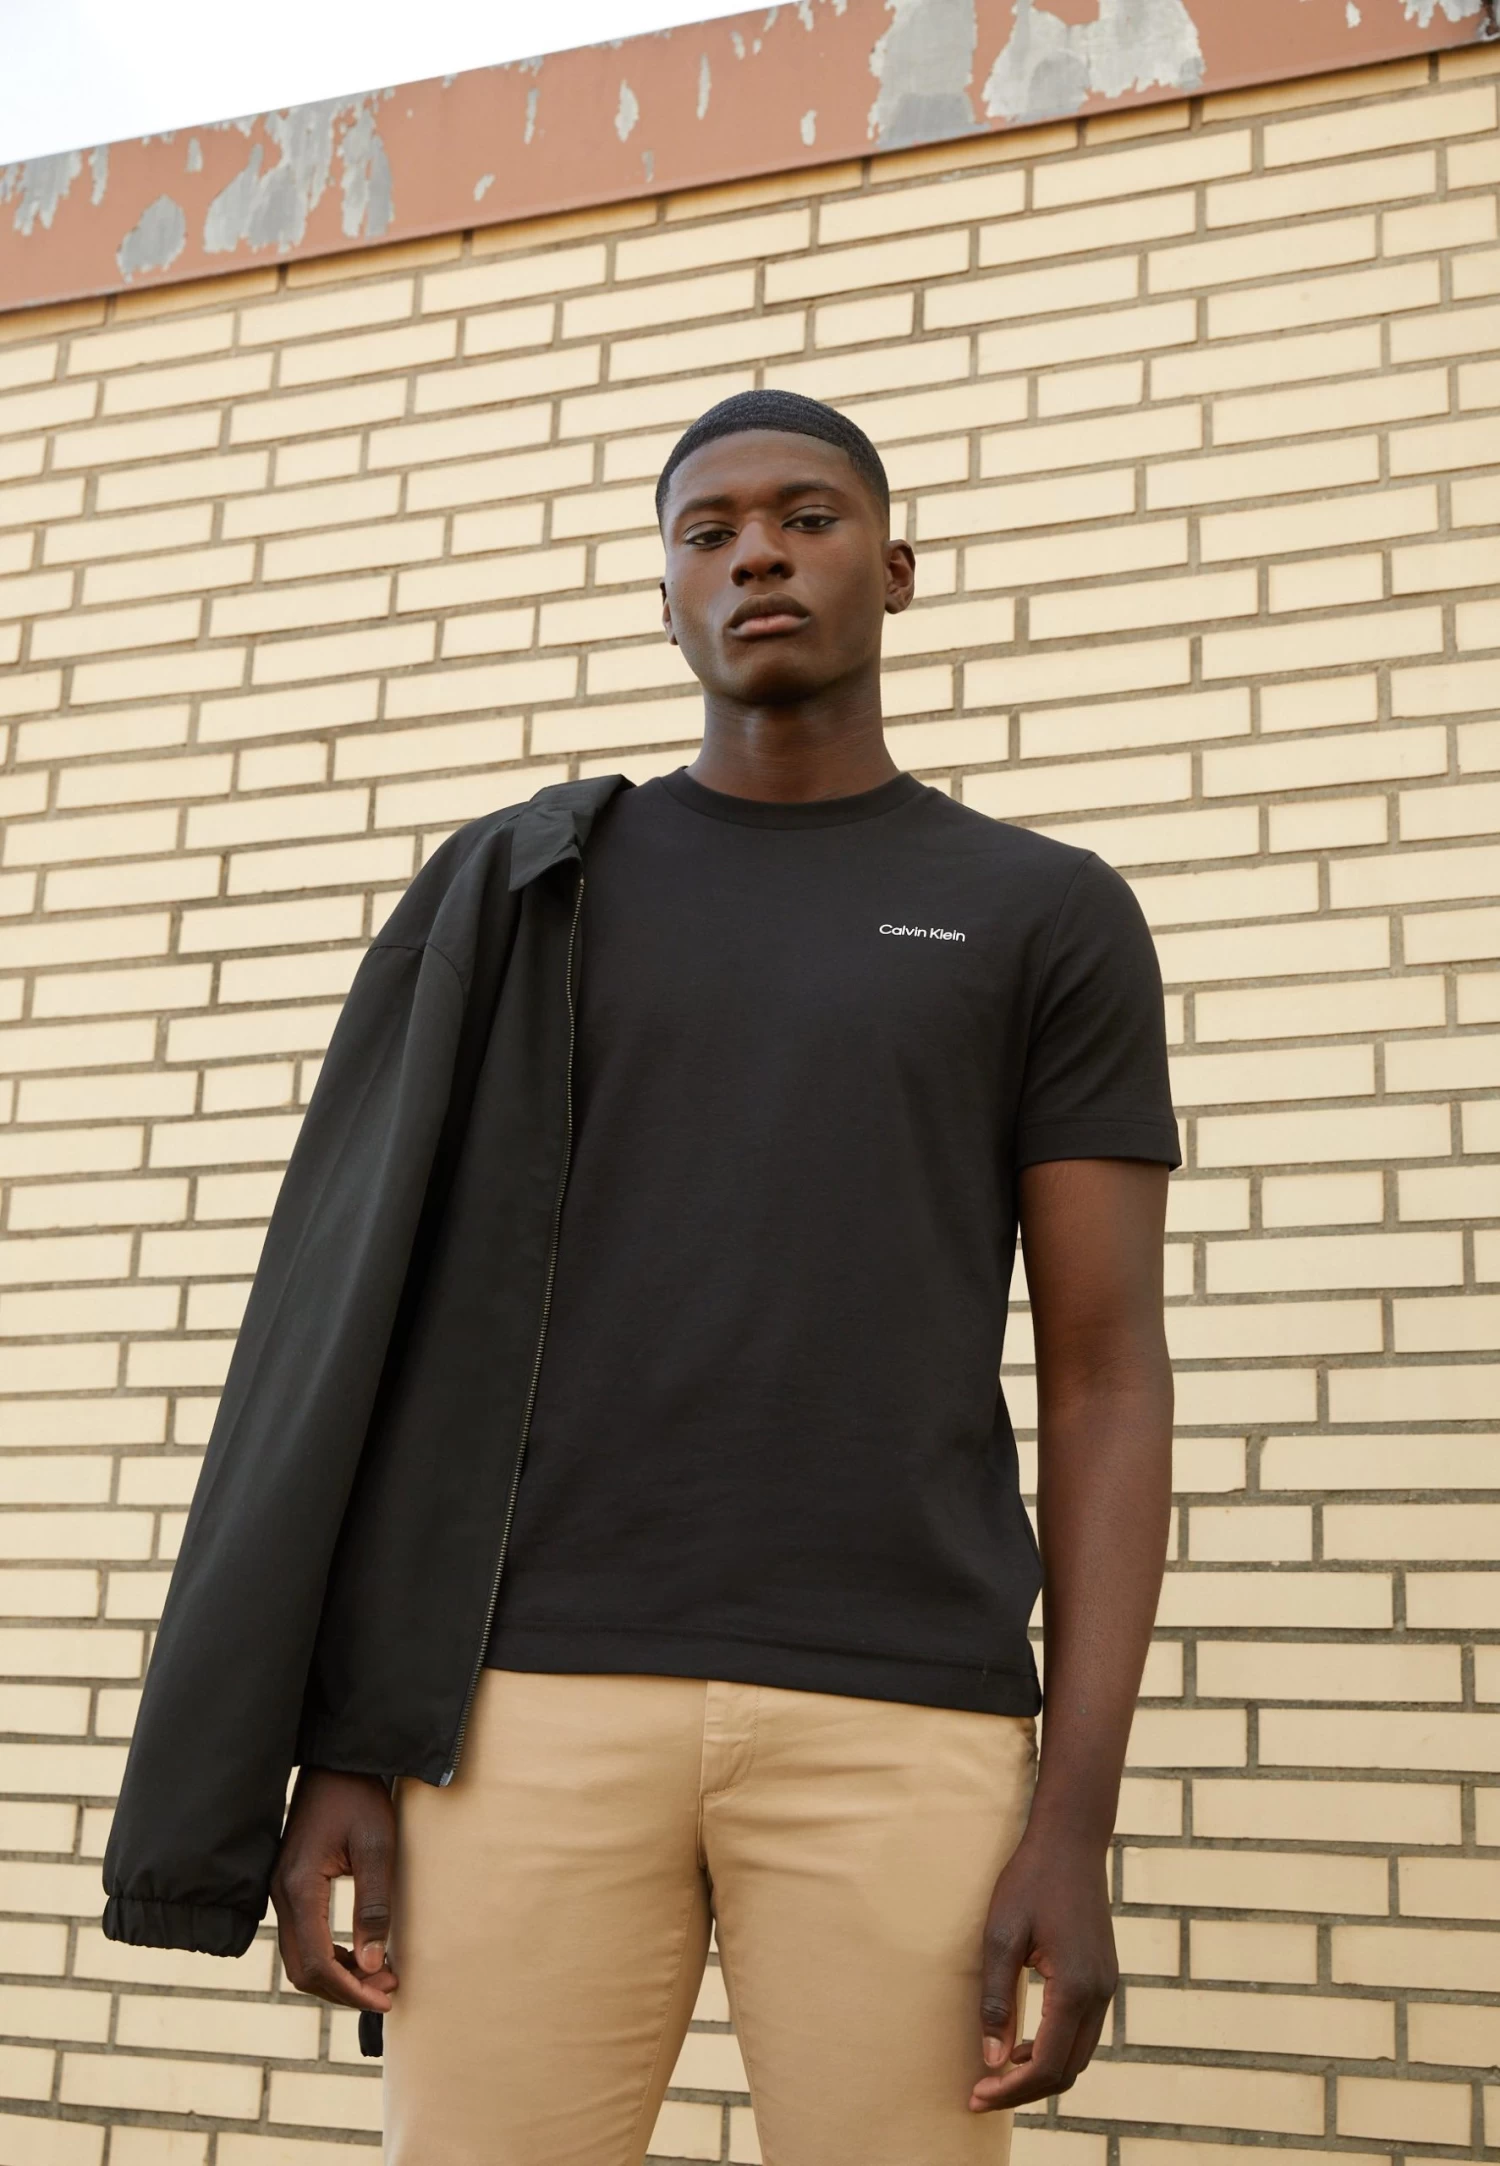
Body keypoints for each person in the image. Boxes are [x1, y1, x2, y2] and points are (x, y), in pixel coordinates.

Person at [104, 389, 1179, 2165]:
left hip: (903, 1709)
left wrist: (1076, 1815)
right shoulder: (528, 892)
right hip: (517, 1711)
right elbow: (377, 1328)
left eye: (809, 516)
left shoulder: (1041, 911)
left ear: (897, 569)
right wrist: (350, 1741)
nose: (758, 553)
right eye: (709, 530)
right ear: (664, 596)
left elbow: (1108, 1372)